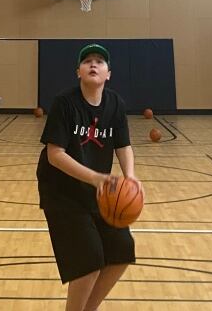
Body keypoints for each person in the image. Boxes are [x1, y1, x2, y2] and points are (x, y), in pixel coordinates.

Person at [37, 43, 143, 311]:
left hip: (97, 192)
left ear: (108, 74)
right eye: (87, 61)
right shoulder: (65, 103)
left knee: (121, 251)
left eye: (99, 62)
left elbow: (123, 146)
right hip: (61, 193)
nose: (93, 65)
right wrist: (96, 178)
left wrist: (130, 177)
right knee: (89, 262)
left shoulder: (115, 104)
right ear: (78, 72)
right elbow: (55, 154)